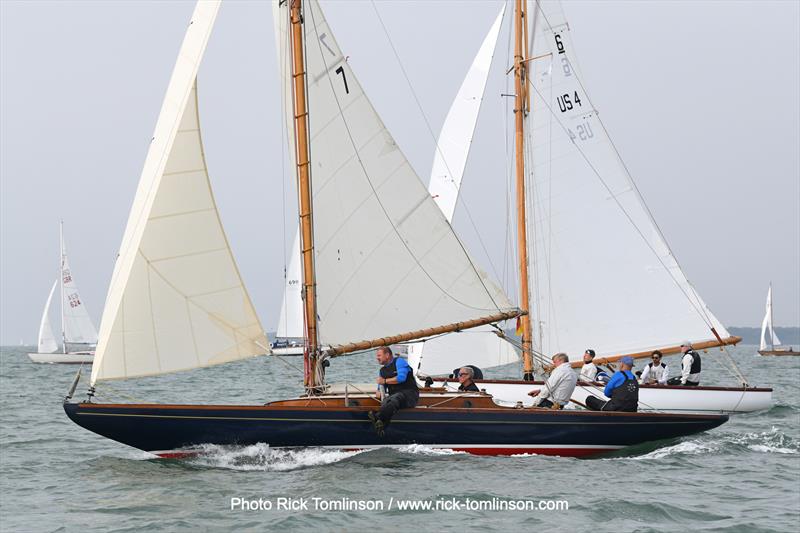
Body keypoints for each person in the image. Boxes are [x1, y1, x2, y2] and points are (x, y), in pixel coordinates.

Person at [368, 346, 419, 436]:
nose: (377, 358)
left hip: (410, 395)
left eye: (379, 355)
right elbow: (381, 386)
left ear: (387, 355)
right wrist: (378, 391)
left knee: (395, 398)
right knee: (387, 402)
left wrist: (384, 381)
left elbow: (401, 378)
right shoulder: (382, 371)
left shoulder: (399, 361)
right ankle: (381, 426)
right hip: (394, 398)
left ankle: (378, 417)